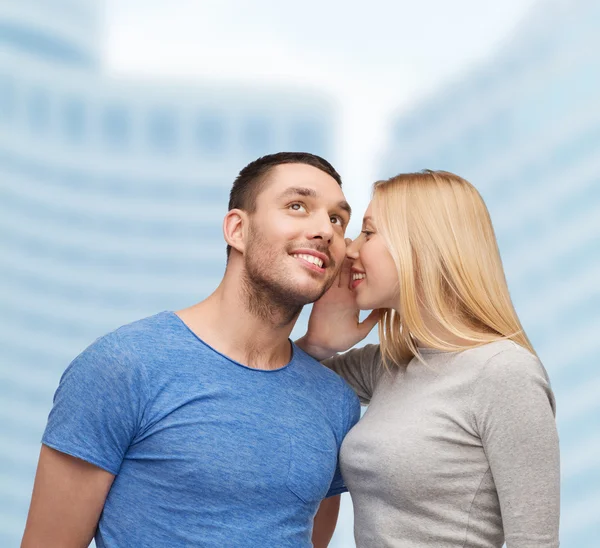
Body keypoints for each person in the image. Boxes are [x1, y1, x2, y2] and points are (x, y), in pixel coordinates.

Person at [22, 152, 361, 548]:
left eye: (337, 219)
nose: (325, 229)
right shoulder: (124, 366)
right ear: (237, 229)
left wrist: (318, 348)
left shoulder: (335, 401)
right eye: (297, 206)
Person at [297, 170, 560, 548]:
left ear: (420, 245)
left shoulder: (504, 372)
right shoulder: (388, 365)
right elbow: (275, 388)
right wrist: (318, 345)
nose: (350, 249)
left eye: (369, 232)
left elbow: (535, 542)